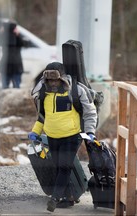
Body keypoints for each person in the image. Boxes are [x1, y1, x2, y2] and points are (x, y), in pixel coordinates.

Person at [28, 62, 98, 212]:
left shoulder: (76, 90)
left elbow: (90, 113)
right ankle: (69, 198)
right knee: (59, 166)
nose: (53, 83)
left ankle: (55, 198)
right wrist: (36, 132)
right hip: (52, 136)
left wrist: (90, 132)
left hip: (72, 135)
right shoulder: (42, 93)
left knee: (65, 166)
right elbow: (42, 116)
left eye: (56, 80)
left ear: (63, 78)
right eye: (50, 80)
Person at [0, 20, 27, 88]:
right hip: (6, 65)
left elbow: (23, 44)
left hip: (16, 66)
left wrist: (18, 35)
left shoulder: (17, 37)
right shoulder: (4, 37)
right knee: (5, 88)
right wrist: (1, 33)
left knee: (16, 88)